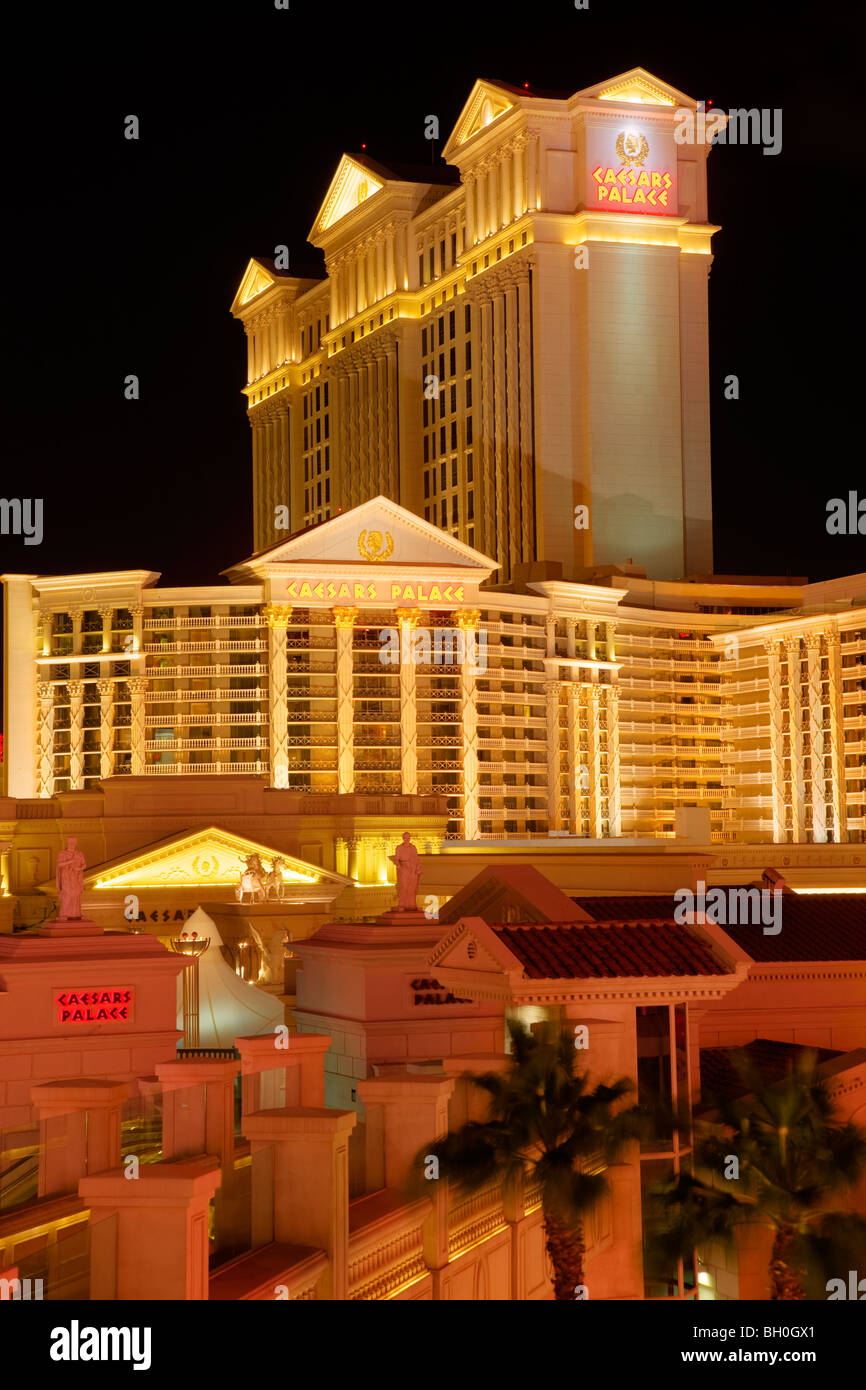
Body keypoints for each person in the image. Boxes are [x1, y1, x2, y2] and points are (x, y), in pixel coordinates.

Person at [56, 836, 86, 919]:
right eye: (70, 843)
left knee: (76, 895)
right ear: (67, 843)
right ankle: (64, 914)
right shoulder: (62, 853)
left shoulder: (79, 854)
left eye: (73, 843)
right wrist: (70, 861)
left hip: (76, 877)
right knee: (67, 895)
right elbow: (59, 864)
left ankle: (76, 914)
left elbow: (84, 865)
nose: (72, 844)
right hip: (66, 877)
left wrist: (79, 868)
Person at [391, 832, 421, 910]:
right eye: (405, 838)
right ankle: (402, 904)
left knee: (412, 887)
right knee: (404, 886)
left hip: (413, 868)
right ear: (403, 838)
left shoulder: (413, 847)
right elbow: (396, 859)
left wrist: (417, 867)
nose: (407, 839)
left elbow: (416, 858)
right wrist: (399, 865)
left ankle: (412, 904)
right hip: (404, 868)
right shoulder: (399, 848)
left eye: (408, 838)